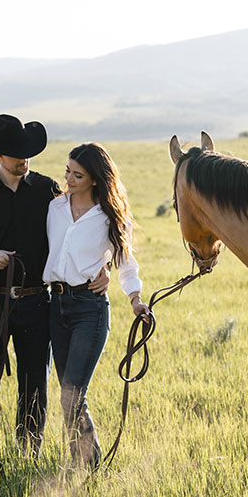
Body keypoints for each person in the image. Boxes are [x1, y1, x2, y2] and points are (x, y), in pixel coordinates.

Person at [0, 115, 108, 470]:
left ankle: (28, 457)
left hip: (36, 301)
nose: (23, 160)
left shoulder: (48, 191)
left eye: (26, 153)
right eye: (14, 154)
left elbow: (82, 229)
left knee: (34, 384)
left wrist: (104, 266)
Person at [43, 142, 150, 470]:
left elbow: (127, 264)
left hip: (89, 309)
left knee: (72, 394)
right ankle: (83, 464)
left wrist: (136, 300)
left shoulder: (109, 217)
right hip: (55, 305)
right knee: (67, 395)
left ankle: (88, 467)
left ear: (94, 179)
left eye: (78, 175)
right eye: (67, 171)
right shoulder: (55, 208)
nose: (69, 179)